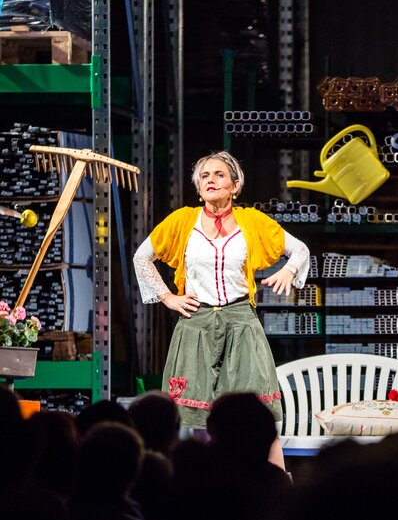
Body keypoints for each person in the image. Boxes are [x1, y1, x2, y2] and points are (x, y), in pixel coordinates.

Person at [133, 150, 310, 469]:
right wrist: (168, 297)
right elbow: (142, 257)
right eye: (204, 176)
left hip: (241, 323)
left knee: (258, 415)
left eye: (219, 175)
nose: (211, 180)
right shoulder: (182, 221)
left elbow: (299, 249)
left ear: (235, 185)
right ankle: (194, 486)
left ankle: (274, 486)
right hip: (197, 324)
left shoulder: (252, 222)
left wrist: (288, 270)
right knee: (193, 418)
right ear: (198, 188)